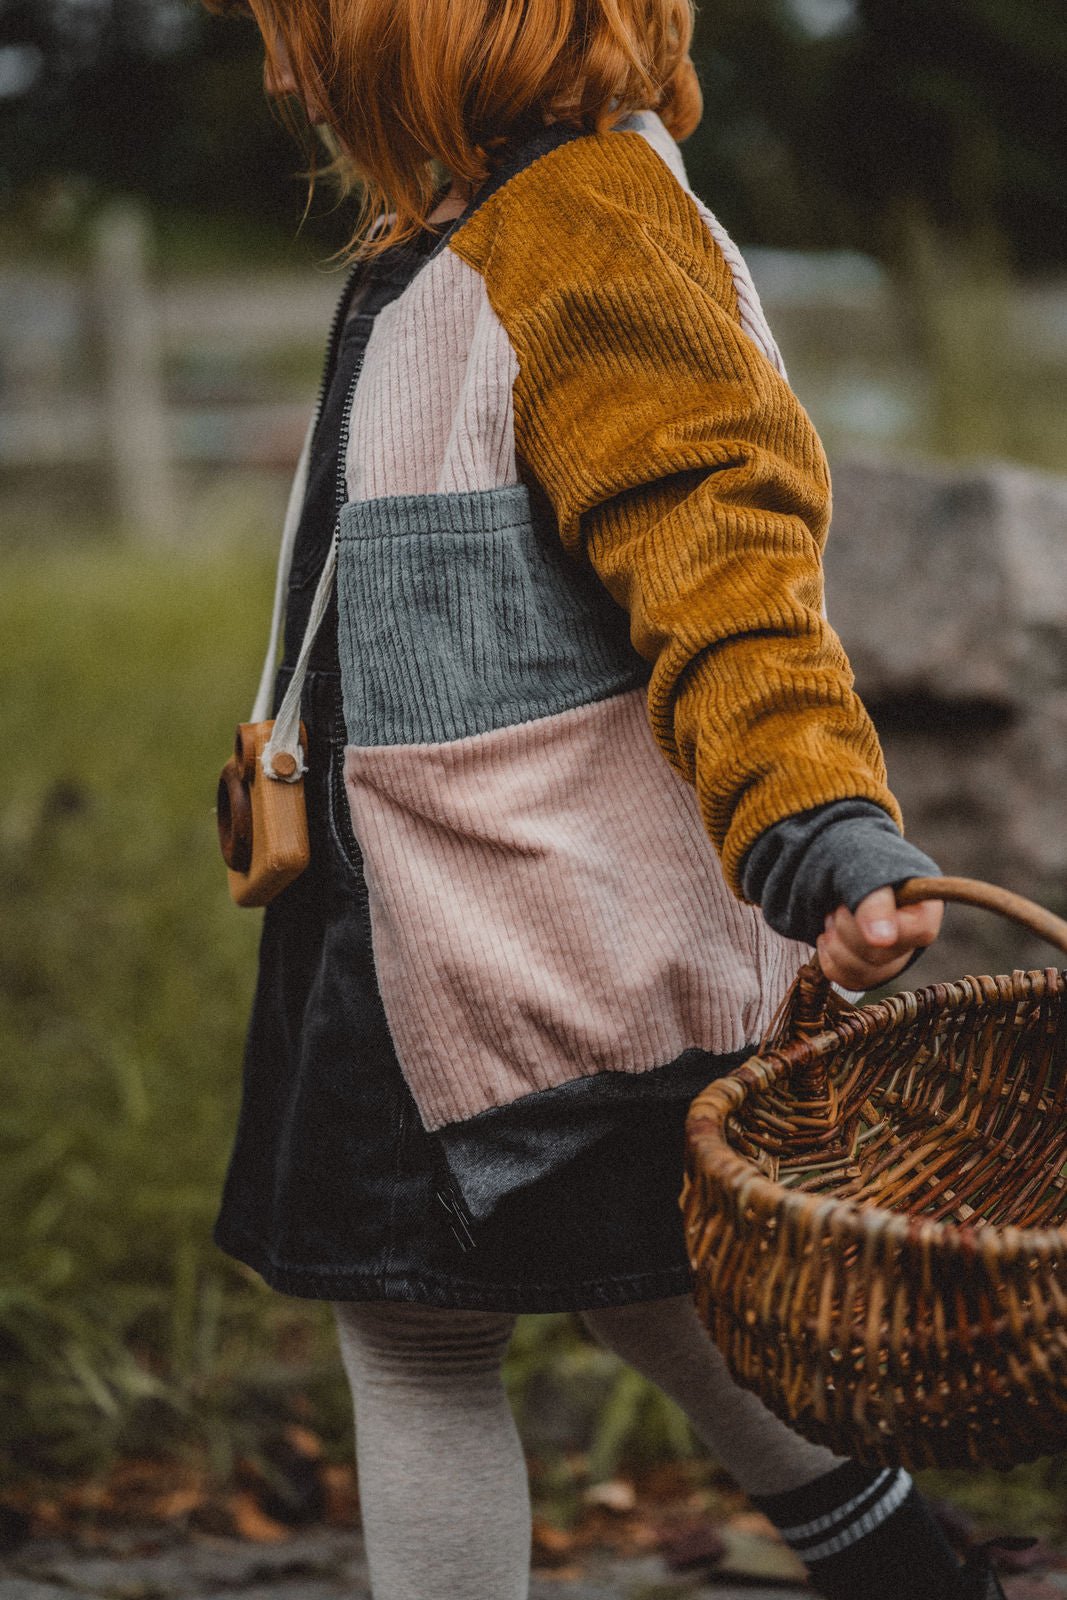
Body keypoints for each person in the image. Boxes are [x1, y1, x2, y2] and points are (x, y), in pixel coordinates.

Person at [204, 2, 1006, 1596]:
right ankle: (921, 1575)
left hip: (506, 942)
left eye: (290, 24)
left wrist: (814, 820)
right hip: (445, 911)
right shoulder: (466, 230)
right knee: (656, 1290)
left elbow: (729, 562)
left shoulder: (586, 227)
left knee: (421, 1336)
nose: (275, 65)